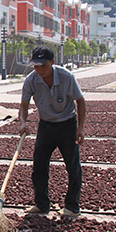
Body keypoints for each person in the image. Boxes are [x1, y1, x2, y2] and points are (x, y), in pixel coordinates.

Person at [19, 46, 86, 218]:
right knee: (39, 166)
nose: (39, 70)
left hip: (67, 125)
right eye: (36, 66)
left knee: (73, 167)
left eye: (43, 65)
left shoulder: (66, 77)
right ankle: (42, 205)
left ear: (52, 62)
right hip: (46, 126)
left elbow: (81, 101)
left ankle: (72, 206)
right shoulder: (31, 80)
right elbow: (24, 105)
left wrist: (80, 128)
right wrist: (23, 122)